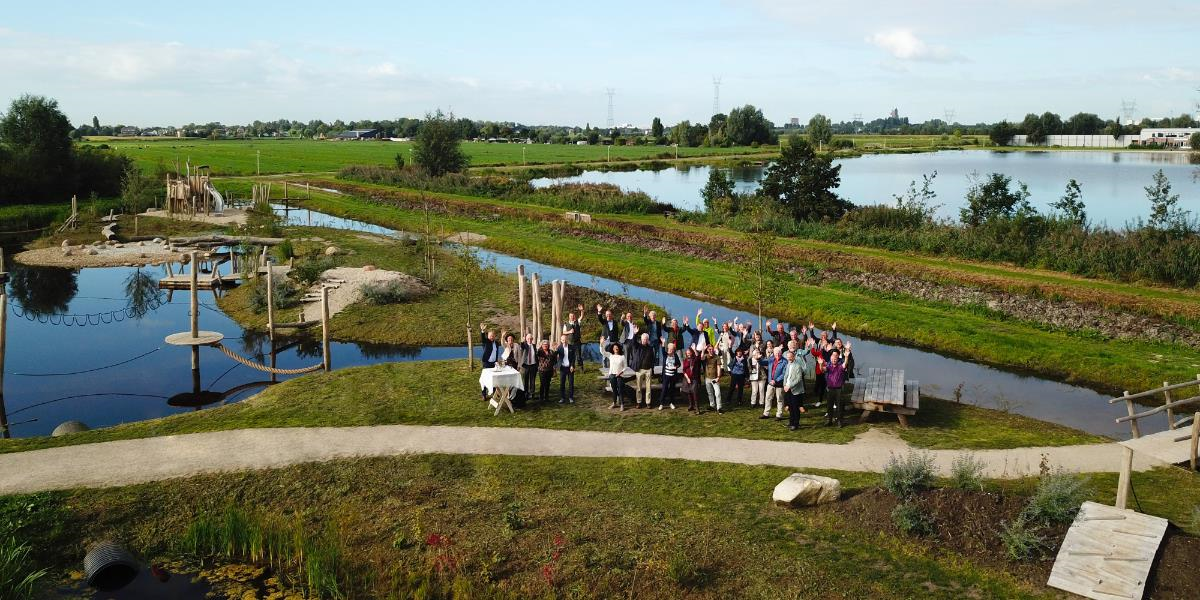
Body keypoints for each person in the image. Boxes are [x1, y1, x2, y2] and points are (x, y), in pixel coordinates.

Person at [823, 346, 851, 427]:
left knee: (839, 406)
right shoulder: (829, 366)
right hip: (830, 388)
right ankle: (829, 420)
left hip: (839, 389)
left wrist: (846, 356)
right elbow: (823, 370)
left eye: (835, 357)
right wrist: (821, 364)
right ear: (830, 359)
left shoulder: (840, 366)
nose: (834, 359)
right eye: (832, 358)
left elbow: (845, 364)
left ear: (838, 357)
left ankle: (839, 421)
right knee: (829, 405)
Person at [630, 332, 656, 408]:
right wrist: (634, 334)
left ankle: (648, 402)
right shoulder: (638, 346)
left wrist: (652, 369)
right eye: (644, 339)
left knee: (648, 387)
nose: (645, 340)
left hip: (648, 370)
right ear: (641, 339)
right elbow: (633, 343)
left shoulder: (650, 348)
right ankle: (639, 402)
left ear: (648, 340)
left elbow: (652, 359)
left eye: (646, 339)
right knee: (638, 387)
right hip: (639, 369)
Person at [783, 350, 807, 430]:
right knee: (790, 407)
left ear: (794, 357)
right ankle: (791, 422)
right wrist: (784, 385)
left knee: (795, 408)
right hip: (787, 389)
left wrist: (789, 386)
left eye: (790, 357)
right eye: (788, 357)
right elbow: (786, 376)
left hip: (795, 390)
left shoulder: (798, 366)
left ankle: (796, 424)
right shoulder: (788, 365)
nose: (789, 358)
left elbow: (799, 379)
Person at [762, 346, 787, 420]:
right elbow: (763, 362)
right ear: (773, 353)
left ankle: (779, 415)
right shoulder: (771, 359)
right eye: (776, 353)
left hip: (779, 384)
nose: (777, 355)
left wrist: (776, 380)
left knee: (779, 399)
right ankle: (766, 413)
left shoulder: (785, 361)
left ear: (781, 353)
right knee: (768, 398)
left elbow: (784, 374)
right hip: (770, 383)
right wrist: (758, 359)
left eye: (779, 353)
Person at [479, 323, 501, 401]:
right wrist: (482, 331)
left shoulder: (496, 343)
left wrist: (496, 360)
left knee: (495, 379)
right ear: (488, 336)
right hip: (486, 363)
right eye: (490, 336)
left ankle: (495, 393)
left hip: (493, 363)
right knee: (485, 379)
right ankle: (484, 395)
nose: (492, 337)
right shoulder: (486, 342)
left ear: (494, 336)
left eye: (493, 336)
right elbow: (482, 338)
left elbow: (496, 352)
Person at [658, 341, 681, 410]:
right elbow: (663, 351)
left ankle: (671, 403)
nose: (670, 351)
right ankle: (661, 404)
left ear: (673, 350)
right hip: (666, 376)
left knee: (672, 390)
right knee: (664, 389)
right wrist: (663, 344)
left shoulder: (675, 355)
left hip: (673, 376)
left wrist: (676, 367)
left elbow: (679, 364)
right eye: (669, 349)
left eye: (671, 349)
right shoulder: (665, 355)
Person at [555, 333, 576, 403]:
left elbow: (573, 358)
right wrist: (555, 350)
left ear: (567, 340)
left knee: (571, 383)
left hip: (570, 368)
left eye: (565, 340)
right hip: (562, 368)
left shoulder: (571, 347)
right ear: (561, 340)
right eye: (563, 340)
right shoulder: (559, 347)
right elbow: (555, 355)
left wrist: (572, 365)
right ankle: (562, 398)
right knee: (562, 383)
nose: (564, 341)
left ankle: (571, 397)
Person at [702, 346, 724, 414]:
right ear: (707, 350)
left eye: (712, 349)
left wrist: (718, 377)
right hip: (707, 378)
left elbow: (718, 367)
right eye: (709, 349)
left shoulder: (716, 357)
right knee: (710, 393)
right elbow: (701, 358)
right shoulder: (706, 356)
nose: (711, 350)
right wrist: (703, 350)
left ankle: (719, 407)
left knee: (717, 393)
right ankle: (712, 405)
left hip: (715, 378)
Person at [606, 343, 628, 411]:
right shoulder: (611, 356)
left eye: (617, 347)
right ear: (612, 349)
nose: (616, 348)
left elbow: (625, 367)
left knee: (620, 390)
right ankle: (614, 403)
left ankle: (622, 404)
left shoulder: (622, 357)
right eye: (614, 347)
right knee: (614, 390)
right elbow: (602, 352)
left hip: (620, 375)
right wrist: (601, 344)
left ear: (619, 348)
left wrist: (621, 372)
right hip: (612, 375)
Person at [519, 333, 538, 404]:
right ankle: (526, 394)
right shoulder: (525, 345)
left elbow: (536, 355)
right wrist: (523, 341)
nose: (530, 340)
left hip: (533, 365)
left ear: (532, 339)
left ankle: (532, 394)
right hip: (526, 365)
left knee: (532, 380)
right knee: (526, 380)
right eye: (528, 339)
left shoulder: (534, 346)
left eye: (531, 338)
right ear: (526, 339)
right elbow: (522, 346)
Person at [681, 347, 701, 413]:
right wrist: (687, 378)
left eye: (689, 353)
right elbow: (683, 370)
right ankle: (691, 405)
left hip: (694, 378)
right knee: (688, 392)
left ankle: (697, 408)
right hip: (687, 378)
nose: (688, 354)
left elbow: (698, 356)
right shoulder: (685, 360)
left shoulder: (695, 359)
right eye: (687, 353)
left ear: (691, 353)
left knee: (695, 393)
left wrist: (694, 349)